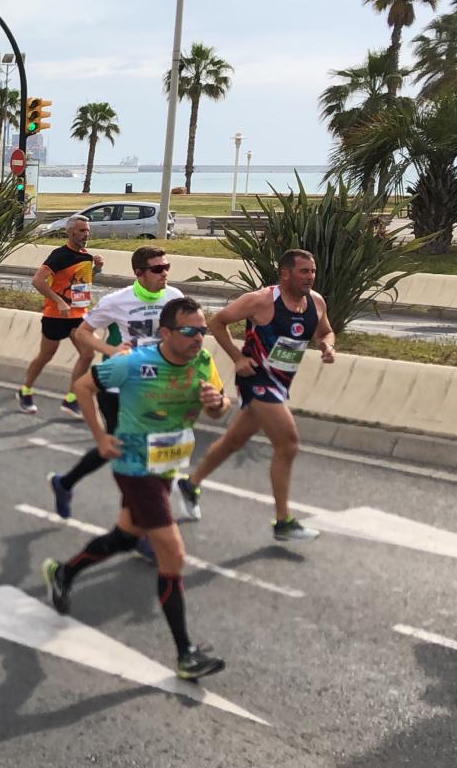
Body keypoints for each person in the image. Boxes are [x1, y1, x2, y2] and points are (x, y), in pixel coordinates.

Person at [41, 297, 230, 680]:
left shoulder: (203, 362)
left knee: (126, 537)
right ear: (165, 333)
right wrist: (101, 438)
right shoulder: (132, 364)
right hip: (133, 467)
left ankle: (63, 573)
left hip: (167, 464)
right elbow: (82, 386)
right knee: (173, 554)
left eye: (203, 331)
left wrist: (217, 403)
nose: (199, 339)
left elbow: (218, 408)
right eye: (190, 331)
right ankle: (185, 654)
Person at [174, 249, 335, 541]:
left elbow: (326, 331)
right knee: (288, 443)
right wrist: (237, 357)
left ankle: (190, 483)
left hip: (281, 381)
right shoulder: (261, 300)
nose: (310, 277)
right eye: (303, 272)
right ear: (285, 273)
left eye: (312, 271)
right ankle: (282, 521)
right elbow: (217, 322)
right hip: (256, 379)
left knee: (234, 440)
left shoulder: (316, 301)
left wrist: (327, 346)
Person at [49, 247, 184, 543]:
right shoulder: (117, 301)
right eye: (157, 269)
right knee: (134, 456)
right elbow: (84, 333)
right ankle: (141, 531)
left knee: (121, 449)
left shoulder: (174, 298)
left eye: (166, 267)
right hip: (117, 388)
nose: (164, 274)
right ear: (139, 273)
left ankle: (65, 482)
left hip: (155, 388)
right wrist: (112, 351)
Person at [17, 214, 104, 416]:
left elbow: (83, 282)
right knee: (46, 355)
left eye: (88, 230)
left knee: (88, 354)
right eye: (82, 230)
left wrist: (97, 269)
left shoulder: (86, 256)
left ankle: (71, 399)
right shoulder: (59, 255)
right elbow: (37, 281)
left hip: (78, 315)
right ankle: (25, 390)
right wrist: (59, 301)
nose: (86, 234)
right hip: (55, 315)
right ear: (70, 231)